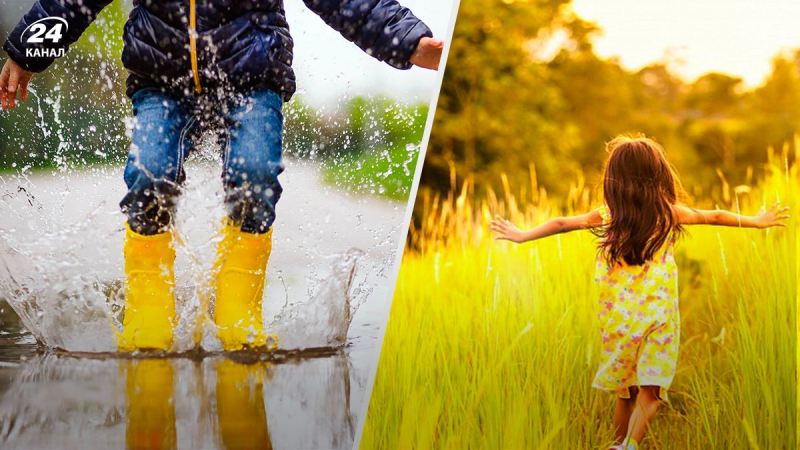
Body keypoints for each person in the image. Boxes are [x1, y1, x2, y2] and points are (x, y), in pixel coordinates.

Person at [0, 0, 443, 352]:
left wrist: (407, 41)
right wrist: (26, 52)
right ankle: (148, 310)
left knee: (255, 175)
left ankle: (238, 308)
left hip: (251, 79)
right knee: (150, 179)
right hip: (161, 82)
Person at [489, 136, 789, 450]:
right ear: (659, 176)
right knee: (652, 391)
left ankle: (618, 445)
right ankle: (629, 446)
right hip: (657, 320)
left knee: (626, 392)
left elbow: (563, 222)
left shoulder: (607, 217)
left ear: (612, 181)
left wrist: (522, 236)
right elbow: (714, 216)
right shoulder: (669, 214)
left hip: (618, 322)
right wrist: (757, 222)